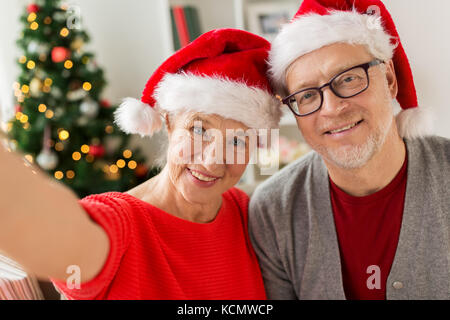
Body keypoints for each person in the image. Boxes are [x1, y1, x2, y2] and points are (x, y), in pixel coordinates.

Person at [0, 28, 282, 299]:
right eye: (199, 130)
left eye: (237, 142)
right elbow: (66, 247)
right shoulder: (121, 221)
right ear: (169, 123)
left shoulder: (244, 211)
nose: (211, 161)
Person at [249, 0, 450, 300]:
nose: (331, 108)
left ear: (390, 80)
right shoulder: (274, 211)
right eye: (306, 95)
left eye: (349, 78)